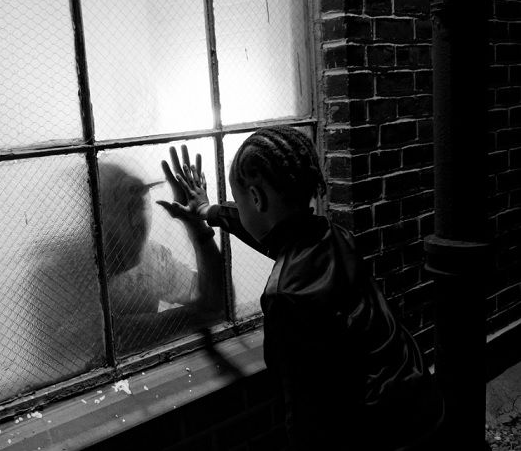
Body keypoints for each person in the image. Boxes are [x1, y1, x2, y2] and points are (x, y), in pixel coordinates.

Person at [163, 126, 444, 451]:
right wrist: (207, 211)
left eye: (240, 202)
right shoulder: (333, 235)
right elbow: (275, 233)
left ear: (256, 197)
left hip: (386, 435)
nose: (240, 209)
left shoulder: (285, 296)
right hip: (421, 402)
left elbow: (308, 415)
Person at [97, 161, 224, 353]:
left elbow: (219, 304)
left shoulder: (154, 257)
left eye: (140, 204)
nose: (139, 220)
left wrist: (196, 226)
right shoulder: (62, 271)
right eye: (126, 208)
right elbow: (100, 341)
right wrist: (196, 315)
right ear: (98, 214)